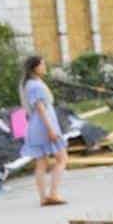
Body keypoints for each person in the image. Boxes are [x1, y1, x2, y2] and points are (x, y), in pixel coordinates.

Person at [19, 55, 68, 206]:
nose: (45, 67)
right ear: (35, 67)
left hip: (36, 125)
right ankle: (53, 193)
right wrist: (51, 129)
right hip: (43, 125)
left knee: (41, 162)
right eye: (42, 65)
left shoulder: (29, 84)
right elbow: (41, 109)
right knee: (62, 158)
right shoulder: (36, 86)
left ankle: (43, 197)